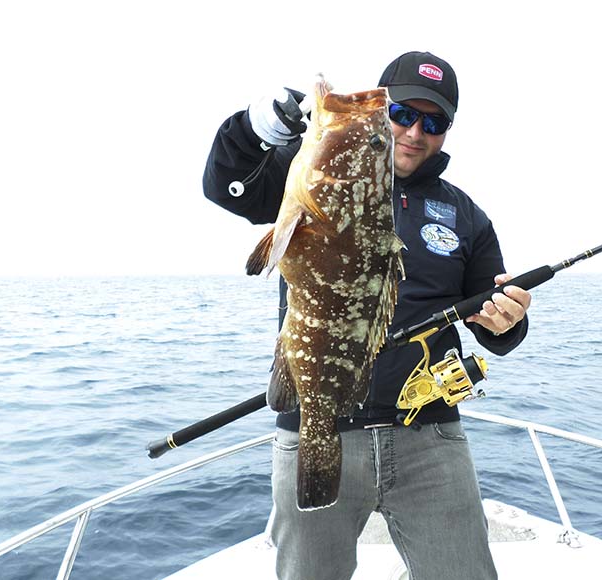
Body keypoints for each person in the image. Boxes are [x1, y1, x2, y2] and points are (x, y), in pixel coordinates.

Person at [203, 51, 532, 580]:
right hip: (316, 421)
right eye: (402, 115)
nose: (415, 133)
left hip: (430, 438)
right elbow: (226, 185)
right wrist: (256, 125)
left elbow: (497, 331)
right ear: (383, 116)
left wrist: (507, 320)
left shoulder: (466, 215)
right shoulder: (310, 180)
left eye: (435, 123)